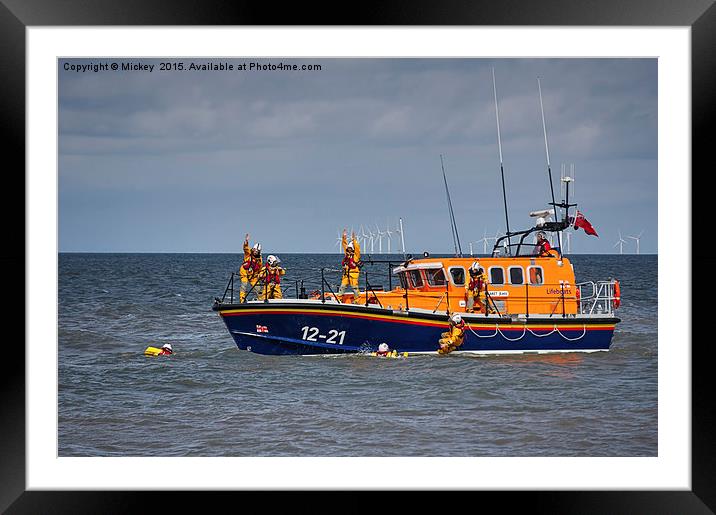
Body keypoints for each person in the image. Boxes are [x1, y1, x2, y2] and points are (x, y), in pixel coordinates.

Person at [337, 229, 362, 303]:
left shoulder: (356, 255)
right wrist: (344, 237)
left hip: (354, 274)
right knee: (342, 286)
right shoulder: (347, 254)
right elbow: (344, 244)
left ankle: (357, 300)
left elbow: (357, 247)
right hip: (346, 274)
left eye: (350, 248)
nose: (349, 249)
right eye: (348, 248)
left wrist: (354, 239)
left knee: (355, 287)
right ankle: (339, 298)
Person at [239, 233, 263, 302]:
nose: (255, 252)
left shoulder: (259, 260)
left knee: (258, 288)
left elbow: (260, 268)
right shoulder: (248, 253)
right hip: (245, 273)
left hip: (254, 276)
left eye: (257, 251)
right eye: (254, 250)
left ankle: (261, 300)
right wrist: (246, 241)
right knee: (244, 285)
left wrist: (261, 275)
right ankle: (242, 300)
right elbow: (245, 248)